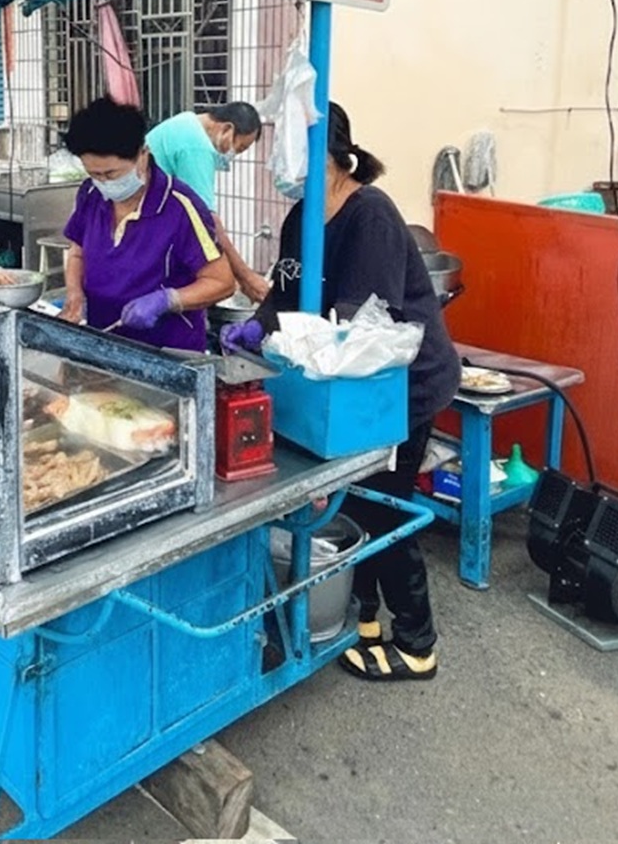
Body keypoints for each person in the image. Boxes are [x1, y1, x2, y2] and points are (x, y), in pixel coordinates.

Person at [223, 103, 460, 681]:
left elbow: (362, 321)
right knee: (356, 499)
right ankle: (370, 619)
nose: (291, 173)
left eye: (303, 159)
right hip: (341, 386)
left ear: (334, 158)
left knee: (386, 504)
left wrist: (299, 350)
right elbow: (283, 295)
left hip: (398, 385)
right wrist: (256, 326)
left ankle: (417, 643)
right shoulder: (300, 218)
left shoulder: (370, 216)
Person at [59, 96, 236, 351]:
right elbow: (77, 253)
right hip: (103, 343)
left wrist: (168, 300)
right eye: (94, 174)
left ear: (143, 155)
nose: (103, 182)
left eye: (111, 174)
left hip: (167, 355)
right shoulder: (90, 193)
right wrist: (75, 295)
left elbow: (222, 283)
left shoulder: (181, 207)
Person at [146, 102, 270, 302]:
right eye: (240, 148)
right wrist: (245, 276)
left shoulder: (187, 122)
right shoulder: (196, 147)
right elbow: (206, 220)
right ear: (227, 129)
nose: (234, 156)